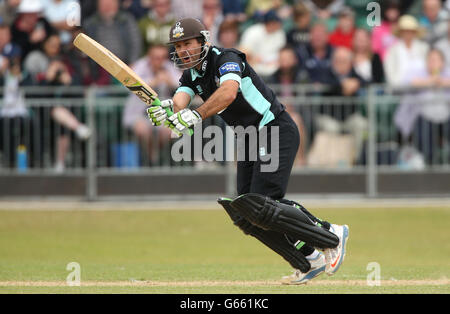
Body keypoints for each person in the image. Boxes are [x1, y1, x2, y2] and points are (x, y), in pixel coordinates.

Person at [147, 18, 349, 285]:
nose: (183, 50)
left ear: (203, 41)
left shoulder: (226, 58)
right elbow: (179, 102)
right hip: (249, 139)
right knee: (246, 214)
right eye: (178, 45)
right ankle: (308, 259)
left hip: (273, 128)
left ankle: (331, 234)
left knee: (264, 203)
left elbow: (229, 93)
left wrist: (194, 115)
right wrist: (167, 110)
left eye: (187, 43)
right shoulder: (190, 76)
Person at [123, 45, 177, 166]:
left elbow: (181, 83)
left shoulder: (168, 67)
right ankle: (150, 158)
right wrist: (154, 82)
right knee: (143, 130)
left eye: (163, 57)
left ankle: (156, 155)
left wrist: (169, 82)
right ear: (149, 58)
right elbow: (128, 85)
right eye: (156, 58)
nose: (160, 61)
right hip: (138, 113)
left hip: (161, 114)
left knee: (168, 131)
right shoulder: (140, 65)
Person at [239, 10, 286, 78]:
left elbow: (283, 54)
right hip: (253, 71)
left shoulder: (280, 34)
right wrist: (254, 58)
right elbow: (243, 52)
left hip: (275, 73)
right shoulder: (253, 31)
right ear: (270, 23)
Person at [384, 15, 429, 88]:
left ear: (415, 32)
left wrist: (423, 82)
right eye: (405, 31)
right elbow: (389, 71)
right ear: (401, 32)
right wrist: (398, 85)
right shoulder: (393, 50)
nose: (408, 33)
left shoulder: (424, 48)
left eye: (411, 31)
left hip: (422, 88)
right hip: (400, 89)